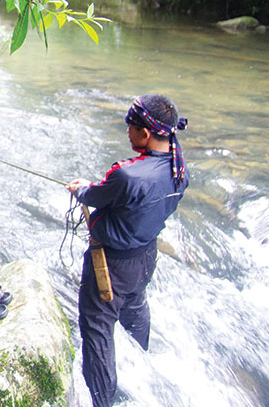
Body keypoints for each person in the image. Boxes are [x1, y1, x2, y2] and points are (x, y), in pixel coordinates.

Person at [65, 94, 190, 407]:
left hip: (111, 265)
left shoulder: (127, 174)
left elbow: (96, 195)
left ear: (145, 134)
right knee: (134, 307)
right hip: (146, 257)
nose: (127, 132)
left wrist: (80, 189)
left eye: (130, 127)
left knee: (97, 328)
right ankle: (146, 364)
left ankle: (102, 401)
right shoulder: (178, 168)